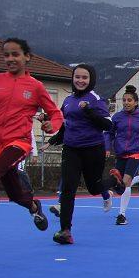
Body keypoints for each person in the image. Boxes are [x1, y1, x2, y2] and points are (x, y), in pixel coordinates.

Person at [0, 38, 63, 245]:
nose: (10, 59)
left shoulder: (35, 87)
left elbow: (55, 113)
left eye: (15, 54)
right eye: (6, 55)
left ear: (27, 57)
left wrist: (51, 125)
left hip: (18, 143)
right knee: (15, 193)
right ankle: (34, 207)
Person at [48, 64, 114, 244]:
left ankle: (115, 180)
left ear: (91, 80)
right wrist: (54, 138)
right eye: (77, 77)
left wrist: (88, 111)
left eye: (84, 77)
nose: (80, 80)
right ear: (73, 78)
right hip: (71, 149)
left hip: (93, 149)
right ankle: (65, 231)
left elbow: (108, 125)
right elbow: (64, 124)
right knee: (68, 189)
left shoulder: (96, 99)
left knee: (94, 188)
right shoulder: (68, 101)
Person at [106, 85, 139, 226]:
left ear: (135, 102)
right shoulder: (117, 117)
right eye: (124, 100)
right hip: (120, 154)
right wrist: (107, 147)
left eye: (129, 100)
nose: (126, 102)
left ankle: (121, 215)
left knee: (125, 183)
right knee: (122, 186)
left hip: (135, 153)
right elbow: (109, 134)